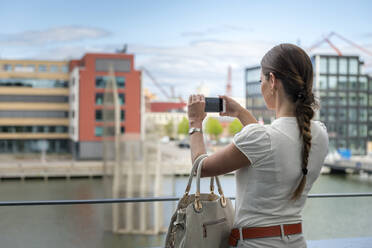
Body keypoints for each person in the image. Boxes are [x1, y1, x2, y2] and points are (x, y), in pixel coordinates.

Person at [187, 43, 329, 248]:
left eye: (260, 80)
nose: (261, 85)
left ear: (272, 81)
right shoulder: (320, 134)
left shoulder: (263, 138)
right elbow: (270, 147)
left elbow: (201, 167)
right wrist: (241, 113)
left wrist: (195, 123)